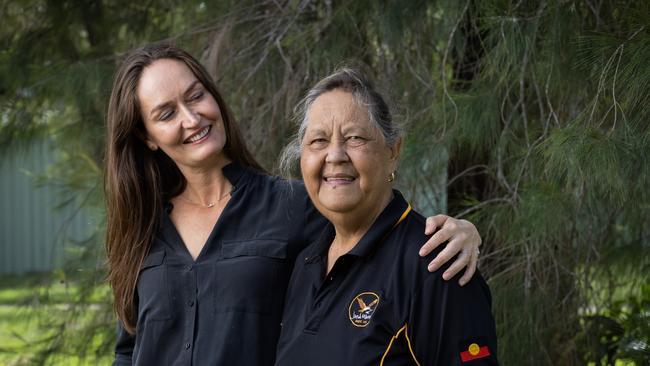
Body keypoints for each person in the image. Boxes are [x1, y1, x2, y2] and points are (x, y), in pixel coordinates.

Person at [105, 43, 483, 365]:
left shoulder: (293, 206)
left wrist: (462, 231)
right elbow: (129, 349)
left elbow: (373, 223)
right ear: (146, 135)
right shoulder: (142, 229)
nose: (191, 118)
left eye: (196, 95)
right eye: (167, 113)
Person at [275, 68, 498, 365]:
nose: (335, 155)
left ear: (393, 151)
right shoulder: (305, 265)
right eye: (318, 141)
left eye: (354, 137)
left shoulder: (436, 265)